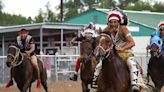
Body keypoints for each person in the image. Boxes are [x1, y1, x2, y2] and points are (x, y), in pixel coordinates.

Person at [91, 8, 142, 91]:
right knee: (99, 65)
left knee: (131, 63)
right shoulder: (106, 29)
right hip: (112, 53)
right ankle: (95, 85)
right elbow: (102, 39)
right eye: (111, 22)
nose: (113, 24)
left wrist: (122, 48)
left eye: (115, 22)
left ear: (119, 22)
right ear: (108, 22)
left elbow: (132, 43)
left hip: (125, 53)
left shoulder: (123, 29)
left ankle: (134, 84)